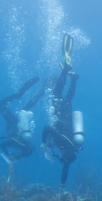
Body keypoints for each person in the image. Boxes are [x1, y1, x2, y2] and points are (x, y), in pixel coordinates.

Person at [42, 33, 82, 190]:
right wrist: (43, 144)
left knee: (67, 98)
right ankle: (66, 70)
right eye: (63, 158)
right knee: (57, 92)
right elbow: (47, 128)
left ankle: (73, 78)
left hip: (67, 116)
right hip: (60, 114)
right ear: (66, 155)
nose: (61, 159)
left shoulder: (71, 149)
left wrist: (62, 185)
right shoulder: (63, 144)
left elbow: (65, 168)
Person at [0, 76, 46, 178]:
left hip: (18, 122)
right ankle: (18, 94)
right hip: (13, 122)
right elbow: (2, 144)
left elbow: (22, 151)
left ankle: (42, 91)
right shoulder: (17, 143)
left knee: (28, 107)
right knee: (1, 104)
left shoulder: (26, 143)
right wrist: (8, 155)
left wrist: (16, 157)